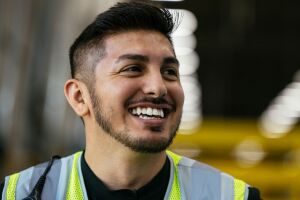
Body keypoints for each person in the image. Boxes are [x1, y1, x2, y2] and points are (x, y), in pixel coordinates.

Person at [1, 1, 261, 199]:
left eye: (169, 72)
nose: (159, 88)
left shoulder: (231, 196)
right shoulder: (18, 194)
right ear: (80, 97)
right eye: (133, 68)